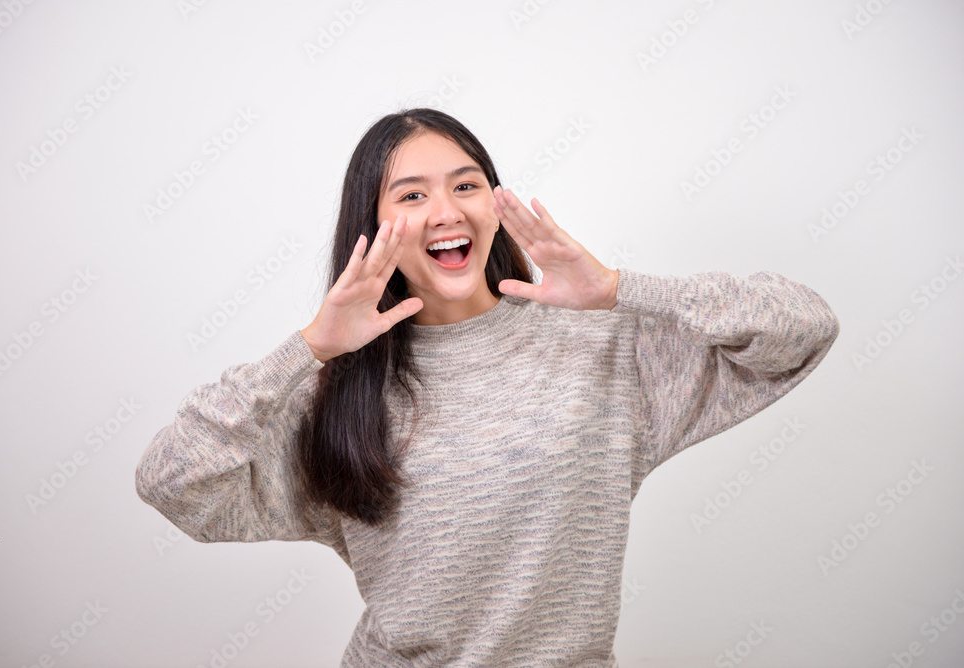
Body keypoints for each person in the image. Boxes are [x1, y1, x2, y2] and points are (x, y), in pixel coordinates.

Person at [135, 107, 840, 666]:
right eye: (413, 195)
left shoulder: (599, 347)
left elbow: (805, 328)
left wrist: (621, 290)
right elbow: (171, 482)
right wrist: (310, 346)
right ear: (371, 227)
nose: (448, 211)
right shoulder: (335, 396)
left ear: (494, 205)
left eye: (466, 185)